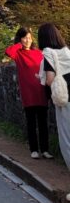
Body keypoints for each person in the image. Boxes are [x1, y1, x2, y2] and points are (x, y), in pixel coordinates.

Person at [4, 27, 50, 159]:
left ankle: (45, 149)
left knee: (43, 123)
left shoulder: (39, 53)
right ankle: (34, 149)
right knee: (31, 123)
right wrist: (19, 43)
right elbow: (8, 51)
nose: (27, 40)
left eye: (29, 37)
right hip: (28, 93)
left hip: (41, 91)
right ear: (20, 39)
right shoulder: (18, 54)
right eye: (24, 37)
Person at [38, 23, 70, 190]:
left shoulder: (48, 54)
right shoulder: (67, 52)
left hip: (64, 100)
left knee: (67, 142)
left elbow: (50, 79)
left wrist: (41, 78)